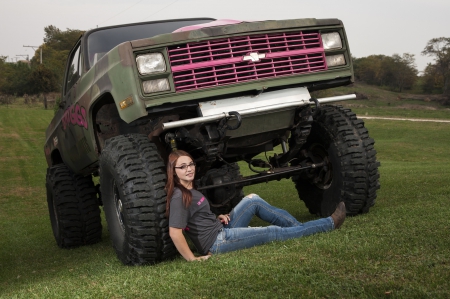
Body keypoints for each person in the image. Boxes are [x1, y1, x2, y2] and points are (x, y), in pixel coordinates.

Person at [165, 150, 346, 262]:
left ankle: (297, 229)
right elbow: (175, 232)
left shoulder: (190, 189)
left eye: (191, 164)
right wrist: (192, 259)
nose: (189, 169)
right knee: (272, 232)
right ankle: (329, 223)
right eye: (182, 167)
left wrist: (215, 218)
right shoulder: (179, 196)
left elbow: (195, 217)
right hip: (217, 242)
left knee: (253, 200)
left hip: (220, 229)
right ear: (173, 171)